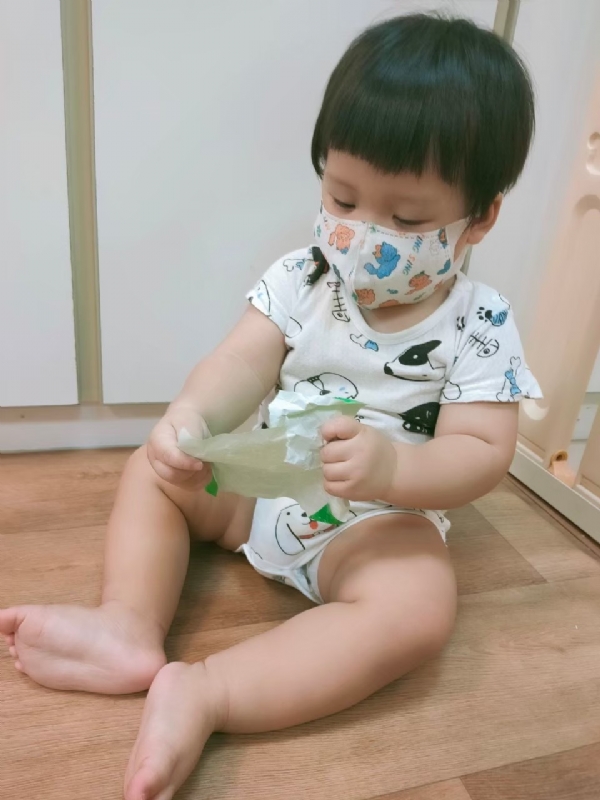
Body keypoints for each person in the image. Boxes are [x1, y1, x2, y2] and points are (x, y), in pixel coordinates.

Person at [0, 13, 542, 800]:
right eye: (342, 197)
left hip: (375, 521)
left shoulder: (479, 321)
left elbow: (483, 451)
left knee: (419, 610)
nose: (362, 236)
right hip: (265, 479)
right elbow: (240, 361)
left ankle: (210, 693)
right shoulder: (305, 276)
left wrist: (394, 469)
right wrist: (191, 420)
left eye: (407, 219)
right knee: (155, 472)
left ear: (481, 217)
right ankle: (127, 623)